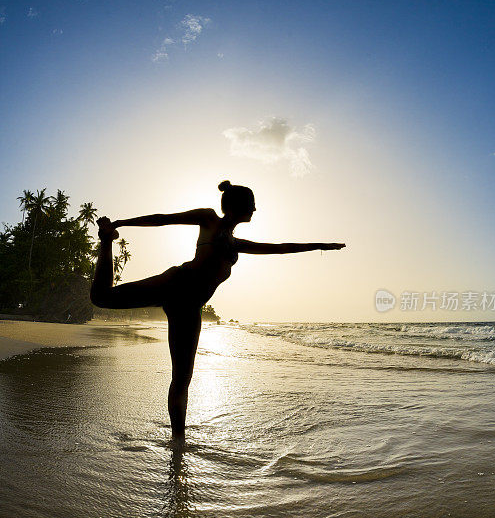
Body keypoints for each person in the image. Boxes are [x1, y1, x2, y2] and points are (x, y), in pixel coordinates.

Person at [91, 180, 345, 444]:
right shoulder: (208, 218)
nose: (256, 210)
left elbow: (279, 247)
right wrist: (119, 224)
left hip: (190, 307)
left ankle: (178, 442)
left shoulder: (236, 244)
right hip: (174, 284)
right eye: (253, 204)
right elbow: (162, 219)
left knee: (181, 379)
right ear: (240, 206)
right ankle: (107, 240)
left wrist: (321, 246)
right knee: (102, 297)